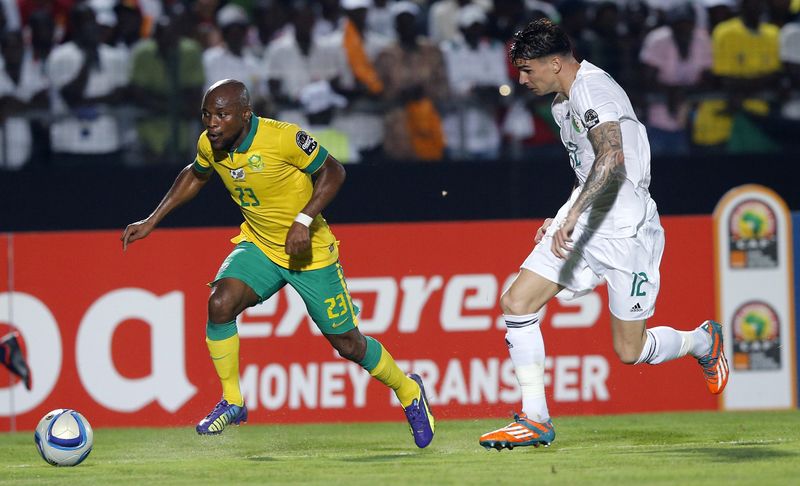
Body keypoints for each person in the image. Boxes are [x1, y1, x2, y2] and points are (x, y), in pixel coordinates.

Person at [120, 79, 434, 448]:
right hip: (261, 246)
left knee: (348, 344)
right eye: (207, 114)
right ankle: (233, 402)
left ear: (245, 114)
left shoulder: (283, 138)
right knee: (220, 303)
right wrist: (152, 219)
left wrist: (303, 220)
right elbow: (195, 173)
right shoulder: (210, 144)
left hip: (309, 249)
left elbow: (334, 171)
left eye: (222, 115)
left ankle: (408, 389)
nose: (212, 123)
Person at [478, 19, 729, 451]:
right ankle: (535, 418)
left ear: (555, 62)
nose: (521, 79)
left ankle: (702, 341)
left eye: (526, 68)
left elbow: (612, 154)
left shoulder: (593, 89)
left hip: (627, 230)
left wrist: (573, 213)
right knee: (516, 302)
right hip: (587, 220)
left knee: (630, 351)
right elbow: (587, 171)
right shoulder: (562, 104)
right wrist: (562, 216)